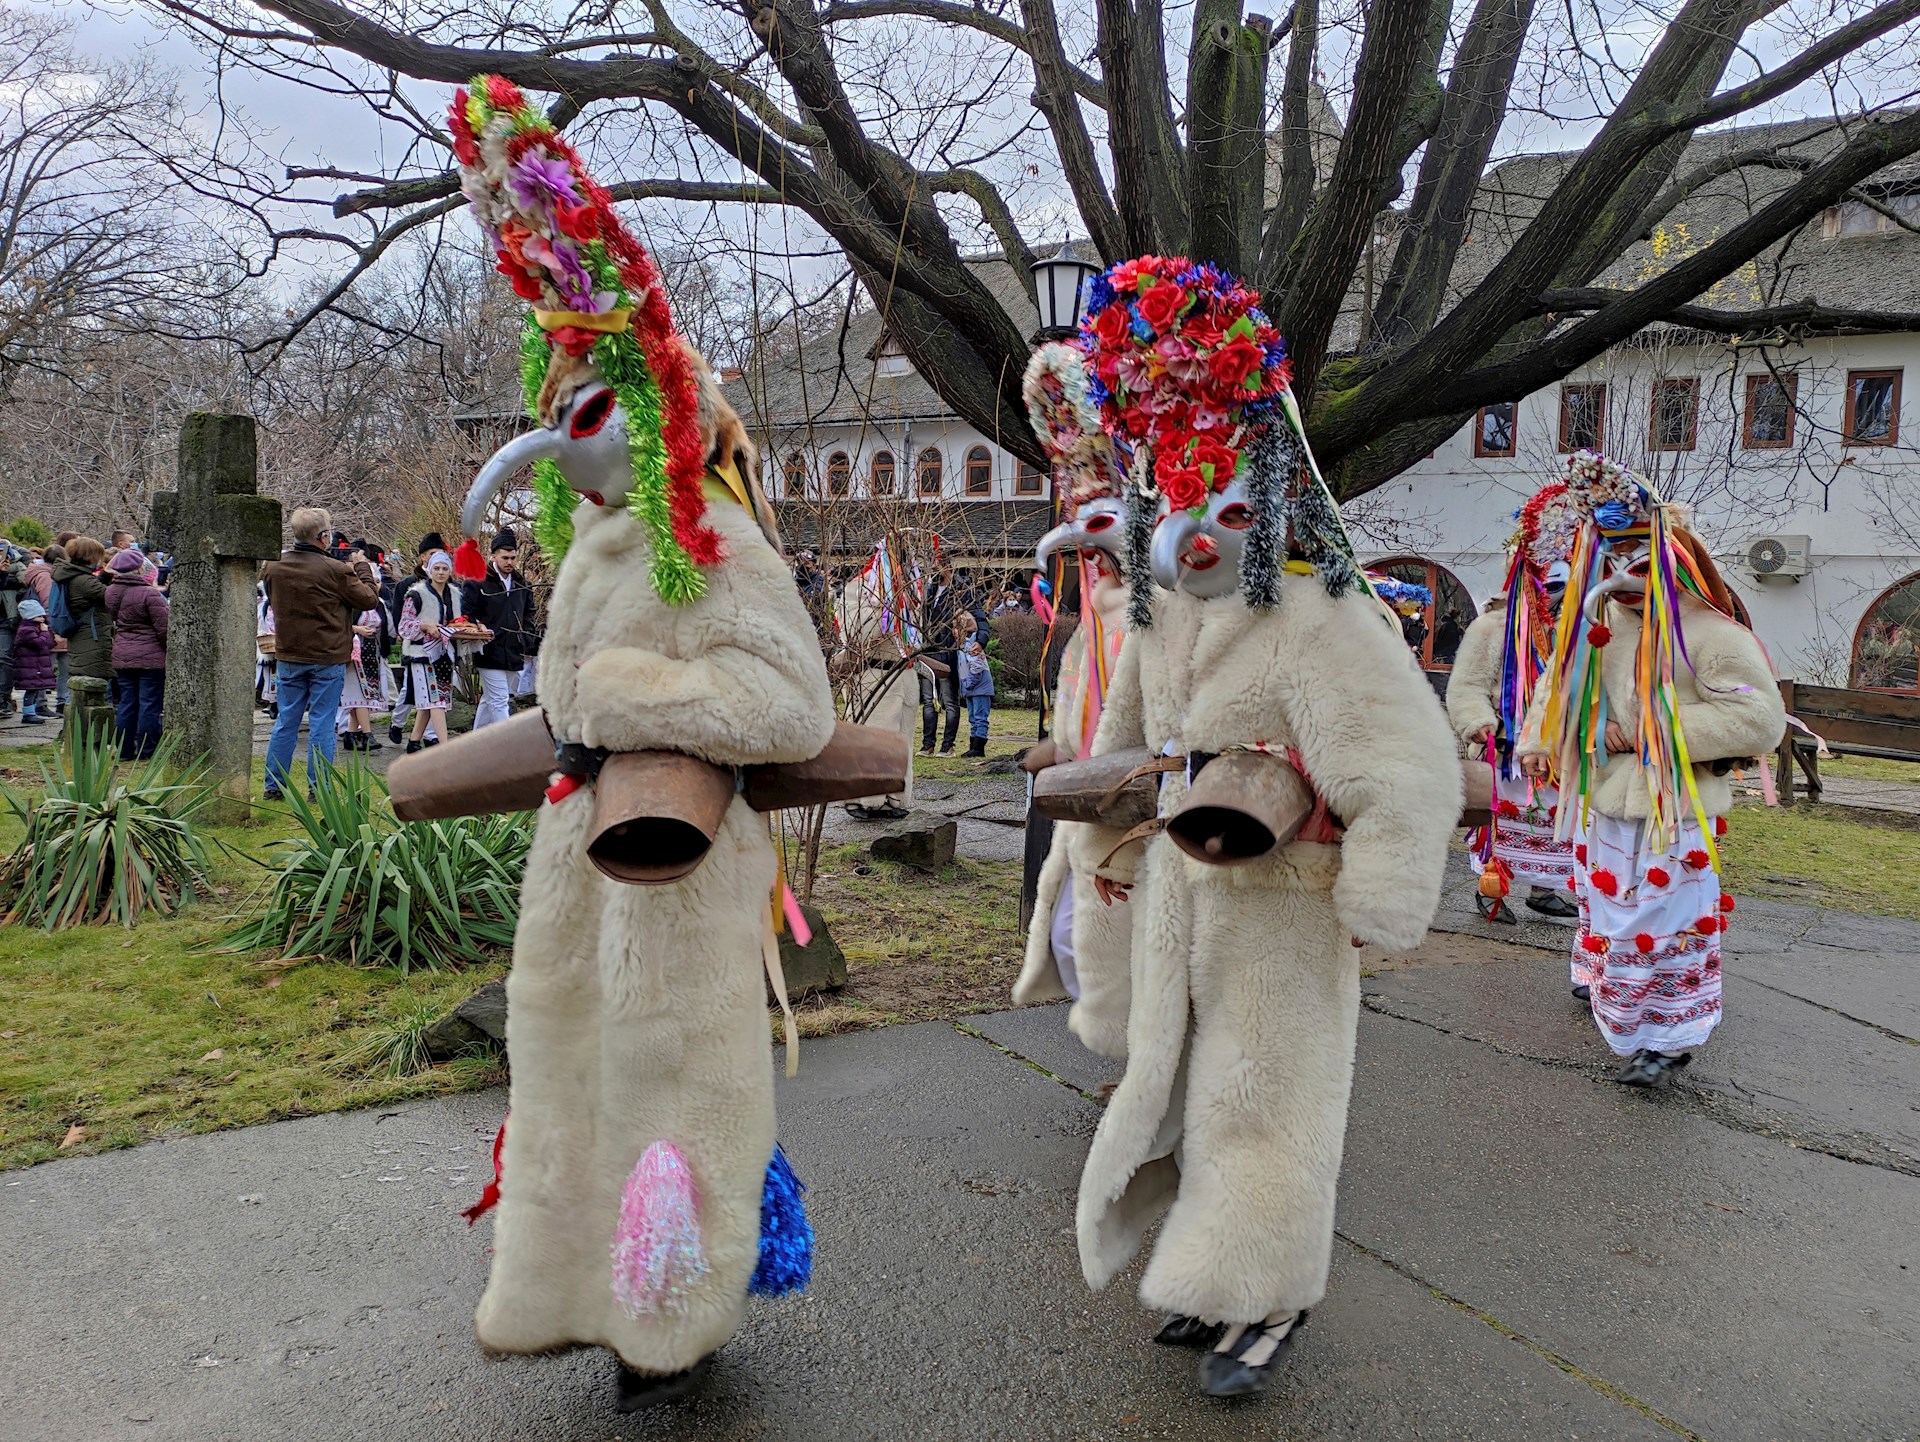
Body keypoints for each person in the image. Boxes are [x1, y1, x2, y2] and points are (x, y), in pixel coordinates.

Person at [442, 79, 836, 1412]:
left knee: (676, 1084)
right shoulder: (602, 544)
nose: (561, 431)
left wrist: (616, 697)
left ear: (662, 410)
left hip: (674, 872)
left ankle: (675, 1316)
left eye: (590, 406)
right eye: (560, 404)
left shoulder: (713, 545)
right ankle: (568, 1288)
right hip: (579, 874)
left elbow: (792, 708)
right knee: (570, 1068)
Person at [1067, 257, 1459, 1399]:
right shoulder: (1161, 622)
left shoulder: (1322, 613)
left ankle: (1268, 1292)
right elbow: (1123, 752)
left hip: (1286, 894)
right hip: (1185, 889)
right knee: (1188, 1084)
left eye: (1225, 503)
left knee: (1269, 1091)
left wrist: (1379, 894)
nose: (1195, 531)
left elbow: (1403, 758)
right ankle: (1209, 1270)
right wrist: (1108, 852)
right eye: (1180, 501)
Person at [1519, 452, 1786, 1088]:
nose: (1621, 577)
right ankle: (1633, 1025)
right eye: (1611, 563)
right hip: (1608, 801)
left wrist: (1655, 732)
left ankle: (1669, 1040)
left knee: (1670, 922)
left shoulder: (1713, 634)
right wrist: (1556, 735)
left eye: (1636, 563)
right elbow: (1557, 690)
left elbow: (1760, 720)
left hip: (1677, 809)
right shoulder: (1595, 626)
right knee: (1614, 917)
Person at [1447, 485, 1579, 923]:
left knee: (1556, 823)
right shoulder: (1492, 629)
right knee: (1505, 819)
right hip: (1504, 746)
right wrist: (1482, 725)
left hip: (1555, 749)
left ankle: (1544, 889)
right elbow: (1466, 686)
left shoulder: (1578, 630)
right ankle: (1492, 886)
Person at [261, 506, 383, 799]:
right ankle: (319, 789)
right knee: (322, 723)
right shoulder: (336, 569)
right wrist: (362, 567)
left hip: (290, 654)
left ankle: (273, 787)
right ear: (323, 537)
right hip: (327, 656)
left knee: (286, 721)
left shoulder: (274, 566)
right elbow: (368, 599)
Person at [464, 528, 536, 729]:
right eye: (505, 557)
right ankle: (508, 748)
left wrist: (525, 639)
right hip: (488, 649)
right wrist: (476, 626)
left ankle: (475, 744)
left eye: (513, 557)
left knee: (490, 700)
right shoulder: (477, 582)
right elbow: (465, 613)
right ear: (493, 555)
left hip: (514, 650)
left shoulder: (523, 585)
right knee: (500, 701)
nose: (510, 562)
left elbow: (529, 613)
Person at [103, 548, 169, 759]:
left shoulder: (111, 591)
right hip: (151, 657)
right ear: (139, 568)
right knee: (149, 703)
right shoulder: (149, 594)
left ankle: (124, 749)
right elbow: (164, 627)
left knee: (127, 702)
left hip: (123, 653)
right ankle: (146, 749)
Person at [398, 550, 459, 753]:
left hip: (444, 653)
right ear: (430, 570)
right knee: (436, 702)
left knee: (432, 700)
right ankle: (445, 748)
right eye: (437, 568)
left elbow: (461, 620)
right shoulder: (416, 594)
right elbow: (404, 626)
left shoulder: (455, 595)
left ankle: (414, 742)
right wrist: (423, 626)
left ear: (450, 571)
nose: (441, 572)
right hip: (420, 654)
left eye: (444, 568)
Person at [387, 532, 444, 744]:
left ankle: (429, 734)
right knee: (411, 688)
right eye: (432, 554)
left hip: (439, 644)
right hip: (415, 644)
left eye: (441, 554)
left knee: (434, 690)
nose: (437, 558)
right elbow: (399, 615)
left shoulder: (447, 584)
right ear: (423, 557)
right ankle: (398, 722)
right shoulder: (407, 585)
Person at [51, 537, 113, 691]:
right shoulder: (82, 580)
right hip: (92, 640)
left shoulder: (71, 574)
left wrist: (105, 575)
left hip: (81, 638)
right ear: (90, 556)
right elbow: (110, 596)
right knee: (91, 688)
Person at [918, 560, 961, 755]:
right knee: (929, 700)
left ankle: (948, 745)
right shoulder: (930, 589)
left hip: (947, 649)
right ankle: (928, 744)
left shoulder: (959, 589)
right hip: (928, 649)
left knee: (949, 700)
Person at [11, 598, 56, 725]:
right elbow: (39, 643)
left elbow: (49, 643)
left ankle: (32, 712)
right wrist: (44, 632)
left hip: (37, 666)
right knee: (31, 690)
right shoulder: (26, 630)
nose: (42, 617)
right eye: (38, 615)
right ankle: (28, 713)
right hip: (29, 667)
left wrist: (46, 633)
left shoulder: (38, 628)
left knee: (35, 689)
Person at [956, 615, 994, 757]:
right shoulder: (962, 645)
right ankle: (973, 745)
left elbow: (976, 668)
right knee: (973, 717)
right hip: (970, 688)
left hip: (979, 687)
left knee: (980, 717)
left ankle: (979, 747)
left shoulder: (971, 645)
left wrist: (968, 684)